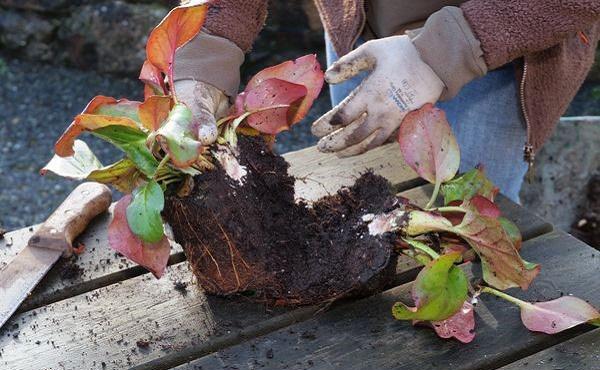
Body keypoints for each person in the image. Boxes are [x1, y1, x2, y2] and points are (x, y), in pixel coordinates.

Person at [174, 0, 600, 202]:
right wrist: (209, 45)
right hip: (361, 28)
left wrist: (449, 49)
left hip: (497, 57)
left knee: (460, 228)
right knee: (363, 201)